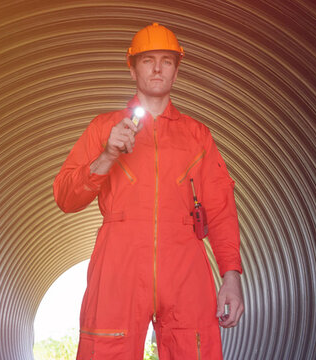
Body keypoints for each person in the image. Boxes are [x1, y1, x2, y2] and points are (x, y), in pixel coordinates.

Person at [53, 22, 244, 360]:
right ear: (132, 68)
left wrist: (231, 276)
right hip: (119, 259)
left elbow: (220, 208)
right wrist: (108, 154)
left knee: (195, 348)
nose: (157, 68)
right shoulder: (104, 128)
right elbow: (66, 198)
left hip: (184, 260)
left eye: (167, 60)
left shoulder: (198, 136)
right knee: (106, 349)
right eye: (147, 60)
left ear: (176, 70)